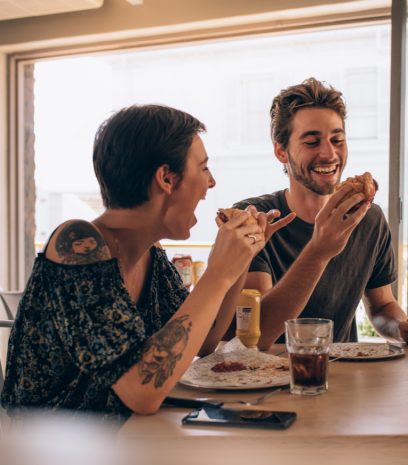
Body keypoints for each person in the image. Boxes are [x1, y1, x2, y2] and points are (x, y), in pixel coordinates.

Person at [0, 104, 291, 419]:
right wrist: (217, 273)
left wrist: (241, 259)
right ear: (166, 178)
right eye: (204, 168)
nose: (211, 183)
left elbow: (204, 341)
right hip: (46, 450)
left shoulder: (150, 255)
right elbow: (141, 391)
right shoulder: (76, 245)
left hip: (120, 440)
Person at [232, 77, 408, 349]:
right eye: (312, 142)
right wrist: (320, 248)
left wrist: (402, 328)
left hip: (340, 377)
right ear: (281, 151)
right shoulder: (253, 219)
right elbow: (256, 332)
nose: (329, 154)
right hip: (265, 378)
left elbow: (382, 306)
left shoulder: (369, 218)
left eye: (337, 139)